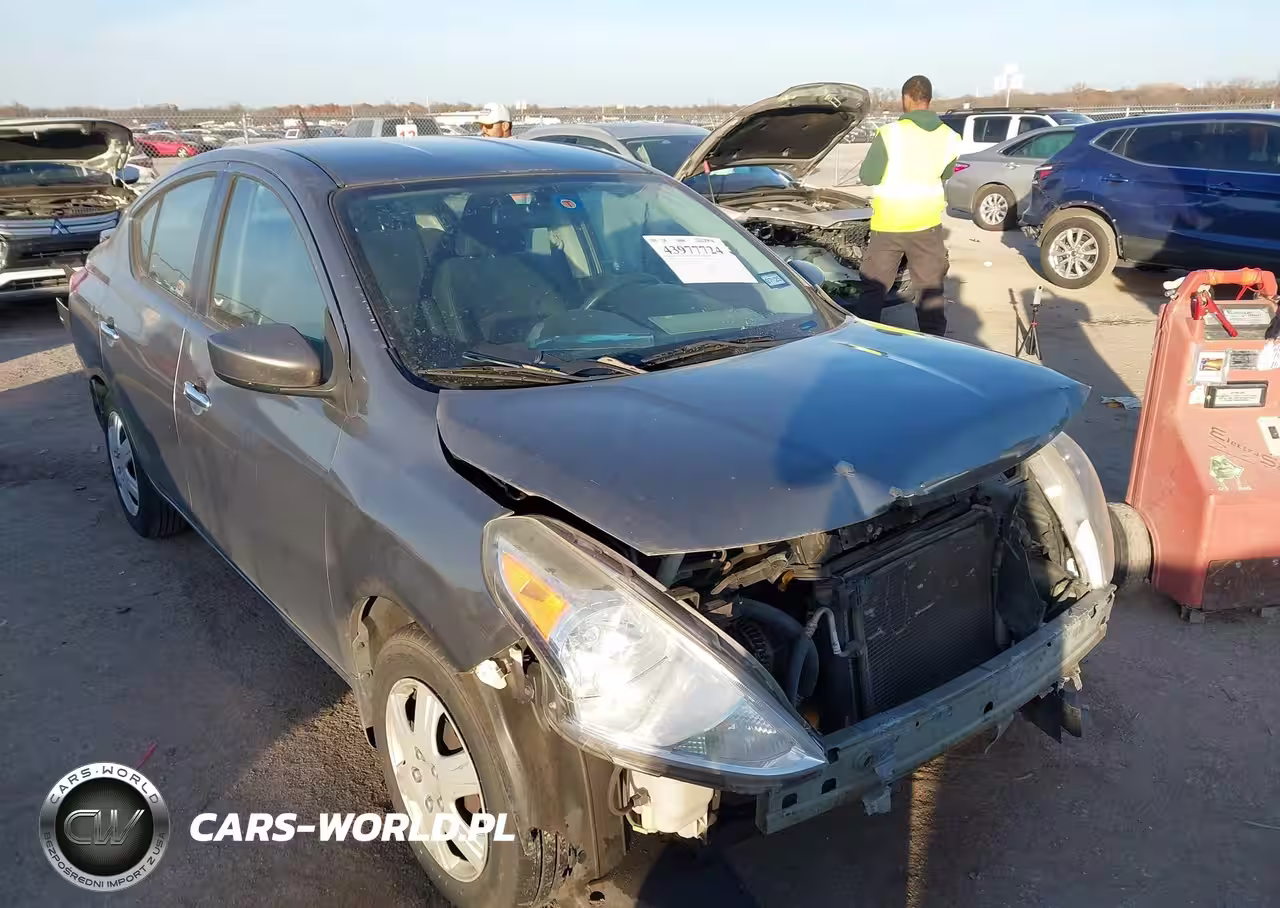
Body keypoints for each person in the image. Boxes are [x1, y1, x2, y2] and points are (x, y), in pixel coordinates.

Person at [854, 75, 962, 336]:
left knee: (874, 290)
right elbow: (946, 173)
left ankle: (864, 345)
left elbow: (868, 176)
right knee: (930, 291)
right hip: (926, 225)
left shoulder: (890, 134)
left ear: (906, 99)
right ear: (929, 99)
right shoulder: (950, 137)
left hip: (889, 224)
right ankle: (934, 346)